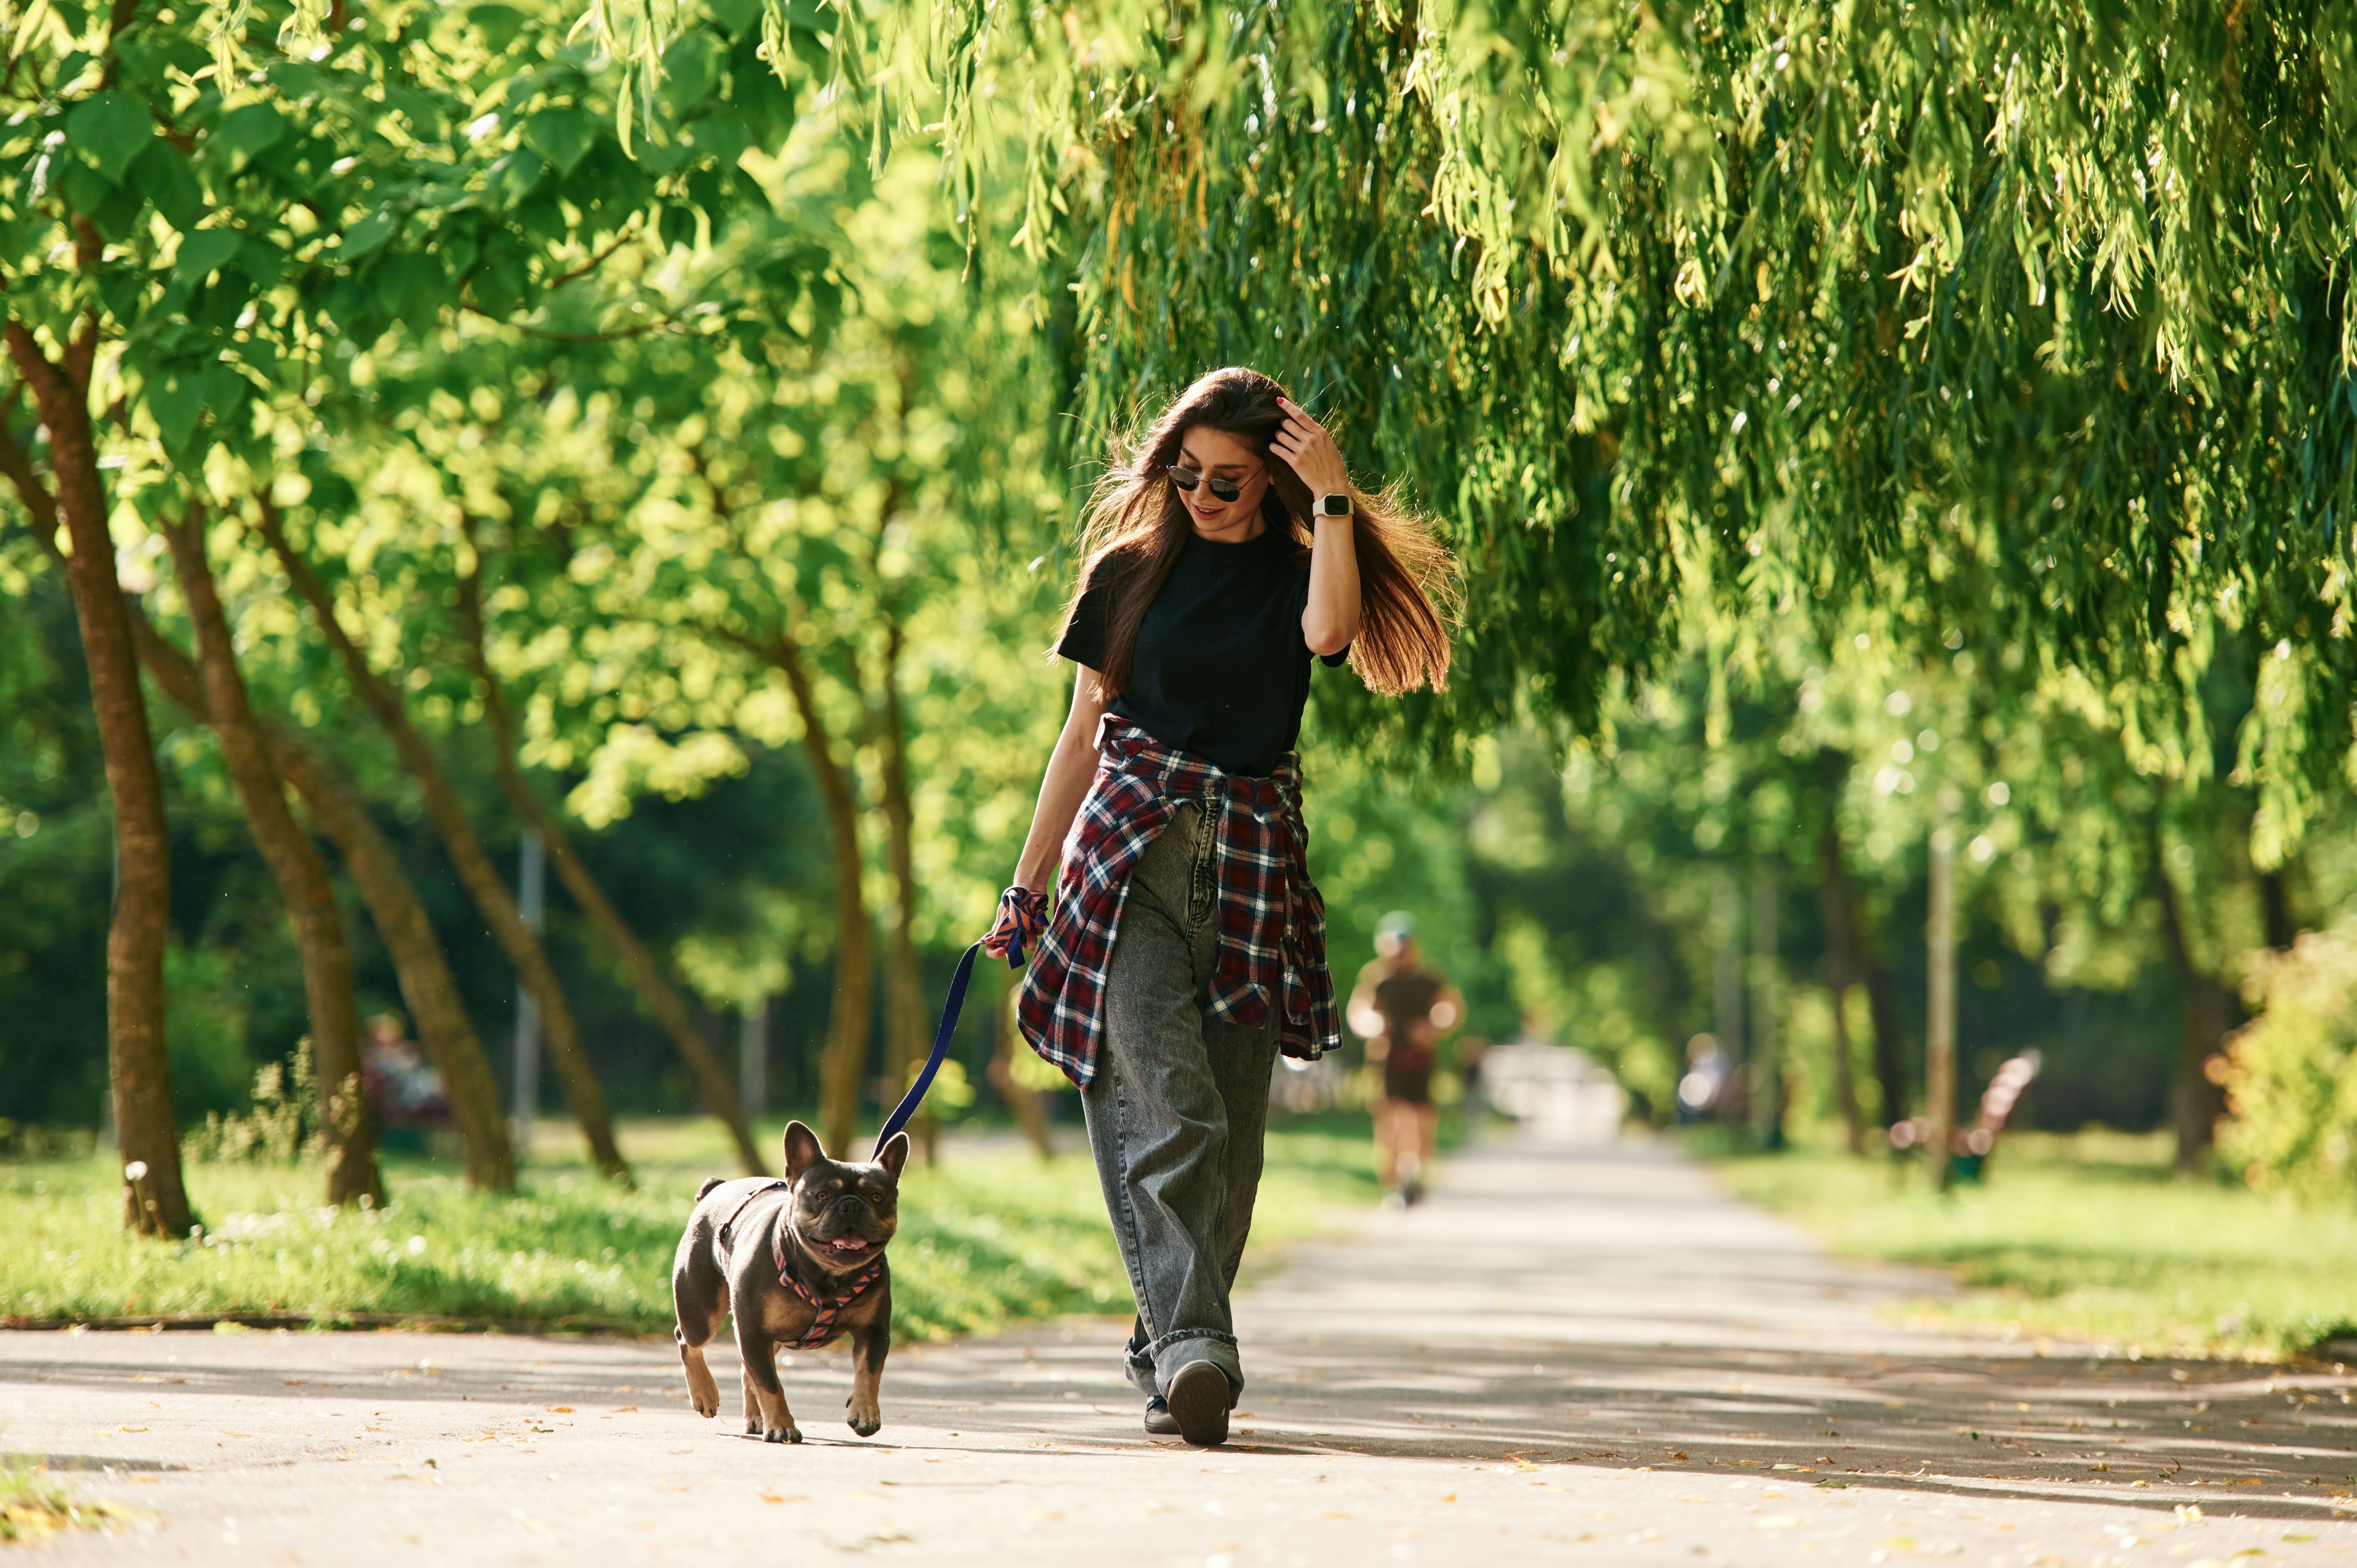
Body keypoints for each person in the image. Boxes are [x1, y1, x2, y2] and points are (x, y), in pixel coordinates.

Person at [983, 367, 1455, 1449]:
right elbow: (1079, 737)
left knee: (1234, 1148)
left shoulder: (1300, 572)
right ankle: (1200, 1348)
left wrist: (1331, 494)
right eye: (1186, 473)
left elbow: (1333, 633)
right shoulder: (1128, 576)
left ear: (1272, 482)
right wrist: (1026, 883)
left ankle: (1168, 1355)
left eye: (1228, 482)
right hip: (1128, 860)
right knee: (1173, 1107)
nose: (1202, 495)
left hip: (1253, 863)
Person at [1346, 912, 1462, 1206]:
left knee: (1421, 1124)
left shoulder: (1428, 978)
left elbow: (1450, 1008)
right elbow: (1358, 1010)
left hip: (1421, 1063)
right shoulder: (1376, 978)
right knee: (1391, 1124)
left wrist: (1433, 1027)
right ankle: (1395, 1186)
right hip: (1387, 1064)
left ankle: (1415, 1174)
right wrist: (1371, 1023)